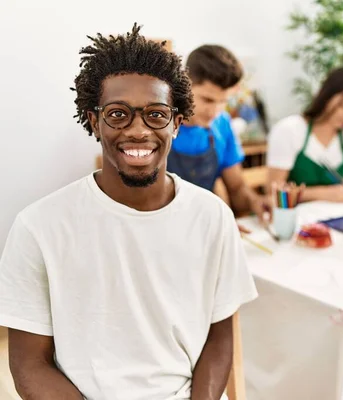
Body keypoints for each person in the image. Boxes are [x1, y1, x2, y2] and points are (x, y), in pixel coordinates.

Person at [0, 24, 257, 400]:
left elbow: (219, 339)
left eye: (156, 114)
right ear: (94, 121)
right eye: (119, 114)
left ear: (176, 122)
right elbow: (27, 365)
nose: (138, 131)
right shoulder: (39, 227)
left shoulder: (213, 218)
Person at [168, 44, 267, 222]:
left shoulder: (222, 123)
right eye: (207, 99)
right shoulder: (157, 124)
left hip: (207, 224)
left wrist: (255, 202)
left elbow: (236, 187)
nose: (214, 111)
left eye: (223, 101)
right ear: (184, 83)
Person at [266, 66, 343, 203]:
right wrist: (325, 193)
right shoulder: (289, 130)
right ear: (327, 96)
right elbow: (274, 193)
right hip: (294, 216)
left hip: (333, 216)